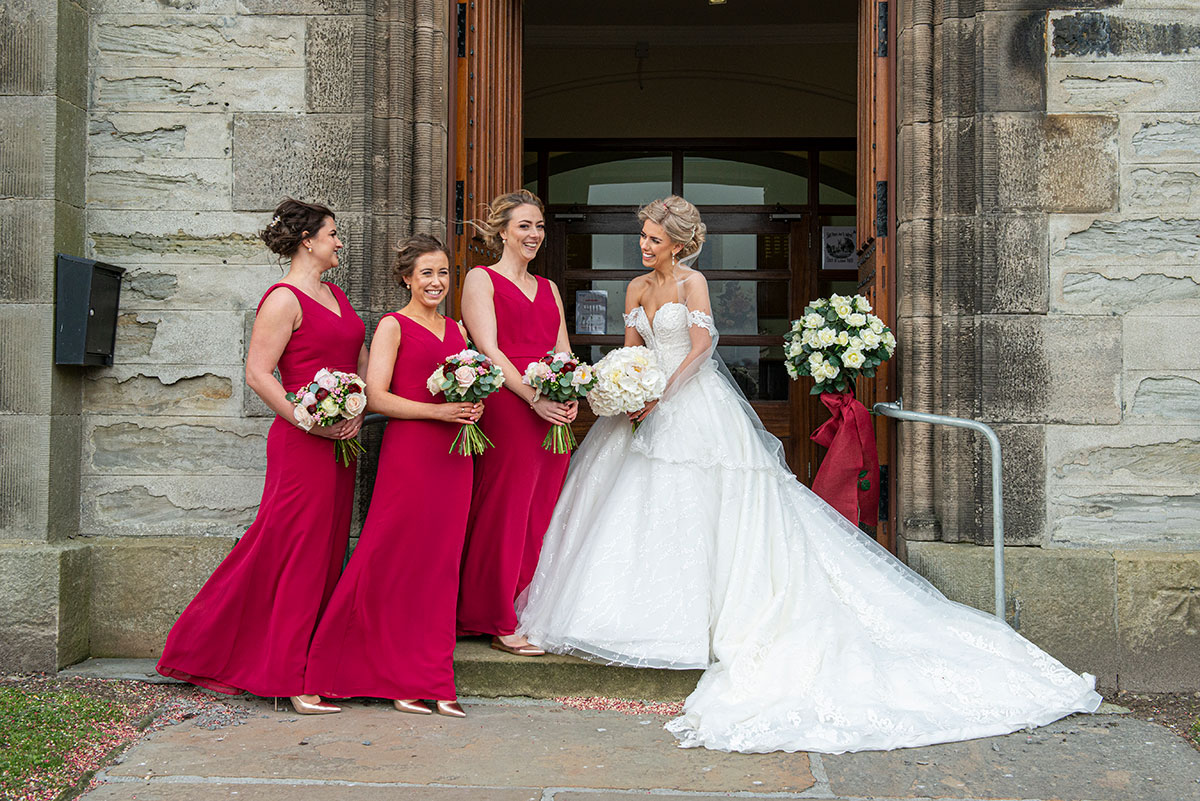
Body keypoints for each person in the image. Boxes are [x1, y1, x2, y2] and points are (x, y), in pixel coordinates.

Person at [517, 196, 1102, 754]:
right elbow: (630, 352)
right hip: (644, 409)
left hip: (691, 405)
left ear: (676, 243)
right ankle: (636, 619)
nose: (642, 246)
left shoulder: (691, 283)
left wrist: (662, 395)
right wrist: (630, 389)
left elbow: (700, 347)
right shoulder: (636, 287)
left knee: (707, 505)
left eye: (651, 238)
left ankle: (704, 621)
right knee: (636, 510)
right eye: (642, 237)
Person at [157, 199, 367, 715]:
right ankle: (290, 675)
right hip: (303, 444)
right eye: (333, 234)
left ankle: (304, 661)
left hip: (343, 443)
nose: (339, 242)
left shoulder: (335, 294)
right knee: (295, 550)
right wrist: (307, 419)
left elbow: (355, 363)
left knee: (322, 551)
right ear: (308, 240)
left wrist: (358, 407)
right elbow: (257, 373)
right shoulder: (283, 299)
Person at [305, 235, 479, 718]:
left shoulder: (458, 330)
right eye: (426, 273)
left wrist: (472, 403)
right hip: (412, 456)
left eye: (443, 273)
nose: (437, 282)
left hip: (455, 457)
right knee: (392, 559)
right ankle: (383, 676)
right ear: (406, 277)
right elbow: (376, 396)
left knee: (440, 567)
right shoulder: (391, 325)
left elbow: (463, 382)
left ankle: (434, 678)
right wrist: (437, 413)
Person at [457, 189, 577, 656]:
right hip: (510, 406)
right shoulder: (480, 280)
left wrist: (569, 394)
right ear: (502, 230)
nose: (534, 234)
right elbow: (489, 349)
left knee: (539, 513)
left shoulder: (548, 288)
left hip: (552, 409)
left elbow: (563, 349)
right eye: (524, 225)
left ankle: (521, 606)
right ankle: (495, 617)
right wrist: (533, 399)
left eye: (539, 226)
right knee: (506, 510)